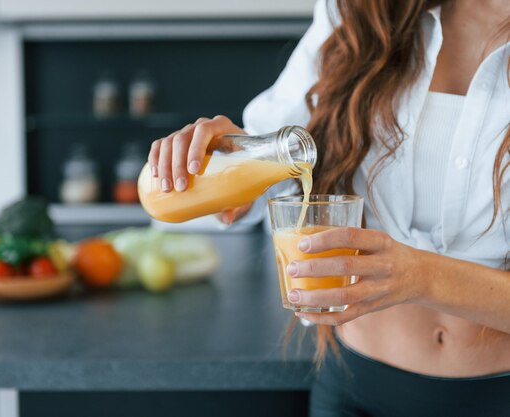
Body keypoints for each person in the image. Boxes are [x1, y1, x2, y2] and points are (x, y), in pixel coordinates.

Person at [149, 0, 510, 415]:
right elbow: (272, 153)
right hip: (354, 391)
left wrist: (420, 275)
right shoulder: (363, 11)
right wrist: (228, 163)